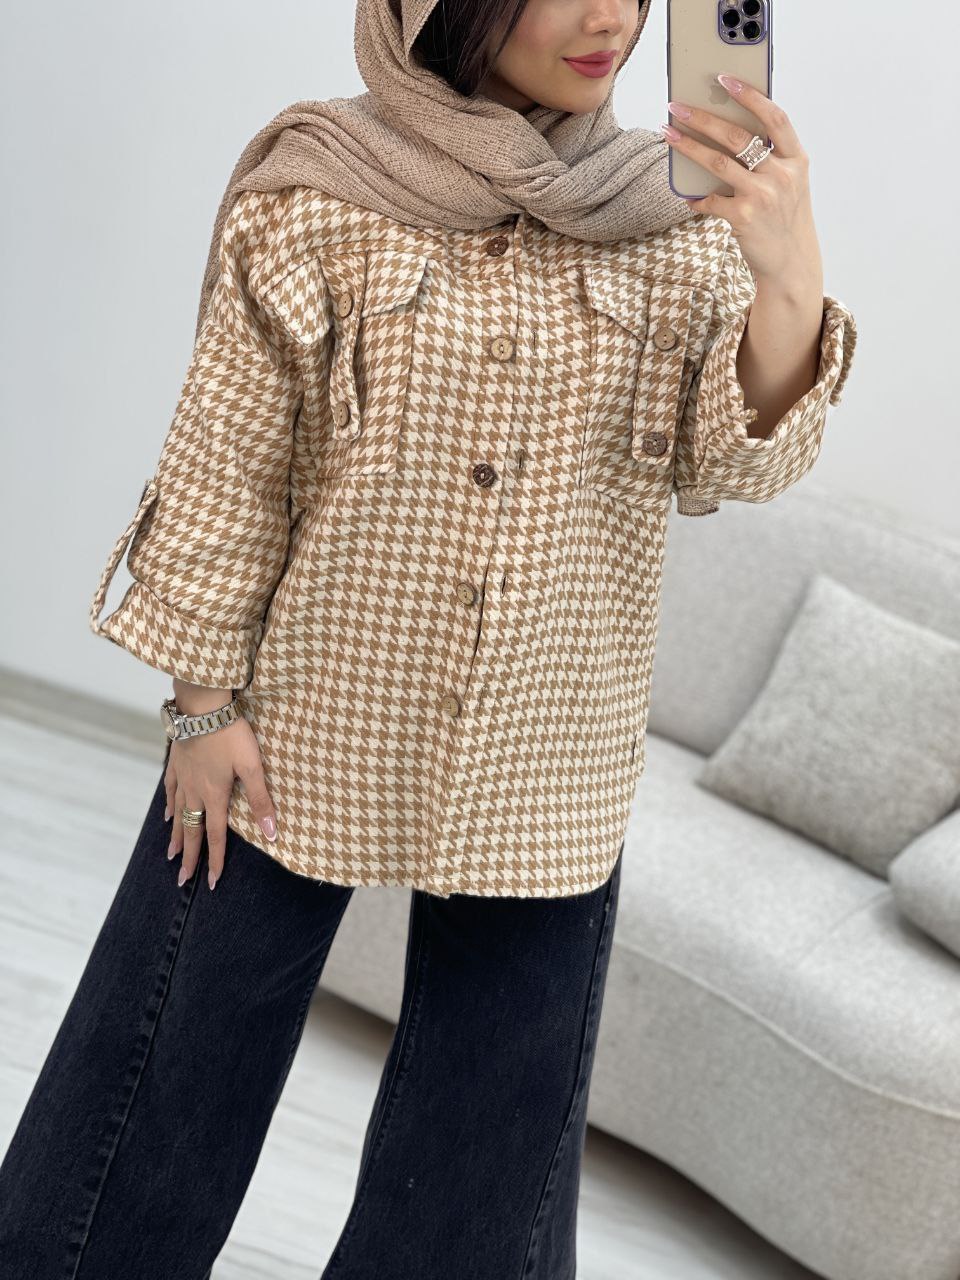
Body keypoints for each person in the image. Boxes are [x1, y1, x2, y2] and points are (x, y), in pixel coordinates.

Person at [0, 0, 857, 1277]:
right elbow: (233, 466)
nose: (612, 17)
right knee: (142, 1102)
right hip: (297, 722)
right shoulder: (316, 189)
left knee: (479, 1190)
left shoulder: (677, 220)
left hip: (548, 753)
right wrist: (201, 702)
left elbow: (739, 462)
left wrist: (789, 274)